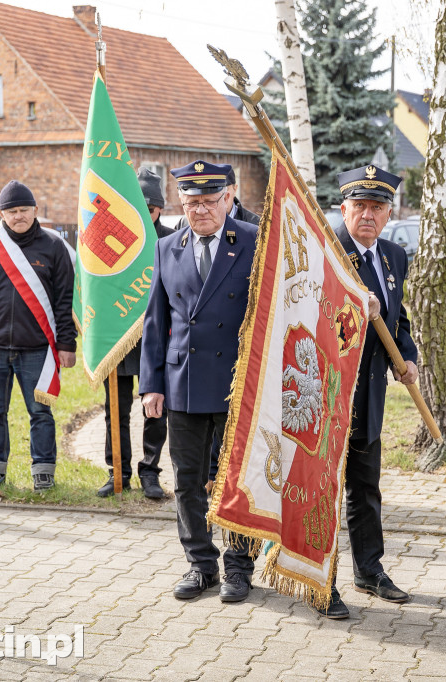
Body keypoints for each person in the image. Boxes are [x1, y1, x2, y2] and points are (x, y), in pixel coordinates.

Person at [139, 160, 259, 603]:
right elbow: (156, 321)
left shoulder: (252, 240)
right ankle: (200, 564)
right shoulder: (167, 246)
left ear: (227, 198)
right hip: (183, 381)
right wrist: (151, 385)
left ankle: (239, 568)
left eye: (210, 201)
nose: (201, 211)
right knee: (187, 478)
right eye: (192, 203)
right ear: (180, 203)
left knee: (237, 480)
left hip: (237, 382)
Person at [323, 164, 418, 620]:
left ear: (389, 213)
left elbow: (397, 321)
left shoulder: (395, 257)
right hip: (325, 392)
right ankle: (319, 578)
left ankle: (369, 569)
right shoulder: (328, 252)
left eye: (377, 207)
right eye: (359, 205)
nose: (367, 215)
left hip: (371, 392)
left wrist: (408, 354)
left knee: (365, 486)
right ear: (344, 208)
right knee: (321, 489)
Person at [0, 180, 77, 492]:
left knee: (40, 411)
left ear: (35, 210)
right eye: (12, 211)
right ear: (1, 213)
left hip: (37, 348)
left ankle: (43, 471)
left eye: (24, 210)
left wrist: (66, 344)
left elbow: (65, 300)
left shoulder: (53, 247)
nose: (18, 216)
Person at [96, 168, 174, 499]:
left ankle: (150, 472)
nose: (147, 214)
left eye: (152, 208)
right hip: (118, 336)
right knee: (115, 409)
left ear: (160, 209)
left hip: (156, 340)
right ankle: (118, 471)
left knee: (155, 411)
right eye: (139, 207)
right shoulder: (110, 239)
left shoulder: (171, 241)